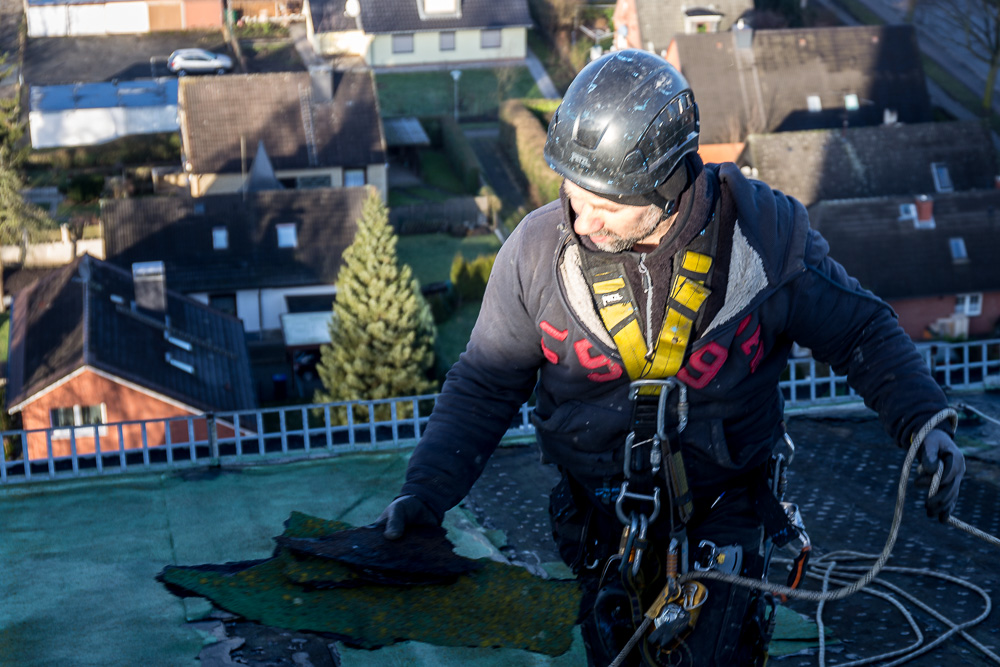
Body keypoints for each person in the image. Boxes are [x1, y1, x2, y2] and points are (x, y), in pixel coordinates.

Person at [377, 49, 965, 666]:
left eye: (607, 204)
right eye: (575, 196)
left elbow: (860, 331)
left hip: (726, 505)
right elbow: (483, 385)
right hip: (600, 518)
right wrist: (426, 494)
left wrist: (922, 420)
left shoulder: (764, 244)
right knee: (617, 650)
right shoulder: (537, 254)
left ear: (666, 181)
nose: (585, 220)